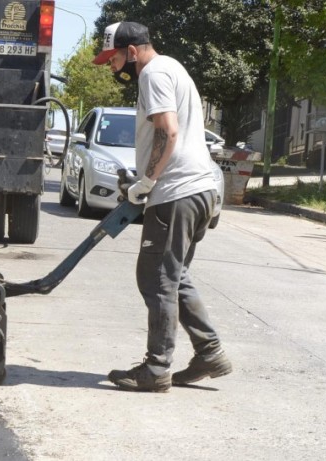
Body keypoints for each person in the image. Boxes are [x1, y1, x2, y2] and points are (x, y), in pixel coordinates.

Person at [92, 22, 232, 392]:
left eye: (115, 58)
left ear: (132, 51)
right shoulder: (172, 66)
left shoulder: (152, 73)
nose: (113, 67)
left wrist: (148, 181)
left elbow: (168, 131)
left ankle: (156, 369)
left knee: (156, 278)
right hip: (200, 190)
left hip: (176, 192)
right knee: (175, 277)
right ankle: (209, 353)